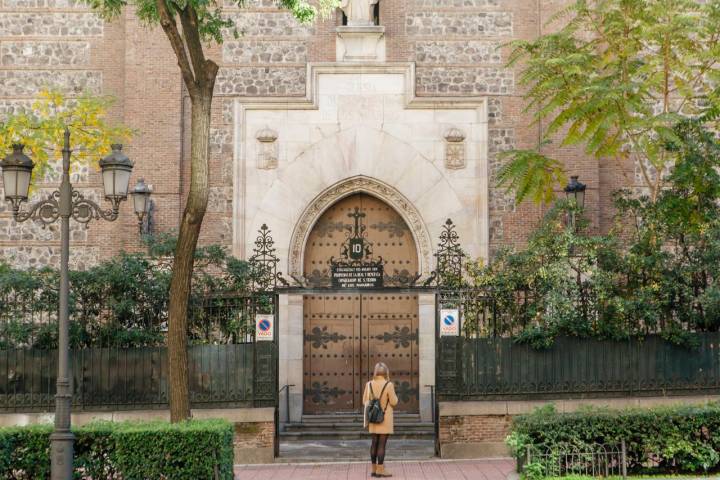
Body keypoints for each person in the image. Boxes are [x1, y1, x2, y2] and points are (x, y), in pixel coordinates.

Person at [363, 362, 398, 477]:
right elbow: (394, 402)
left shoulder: (369, 384)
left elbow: (365, 401)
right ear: (386, 372)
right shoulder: (389, 385)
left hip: (373, 417)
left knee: (374, 443)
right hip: (385, 418)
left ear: (375, 372)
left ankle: (373, 469)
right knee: (382, 444)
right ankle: (380, 469)